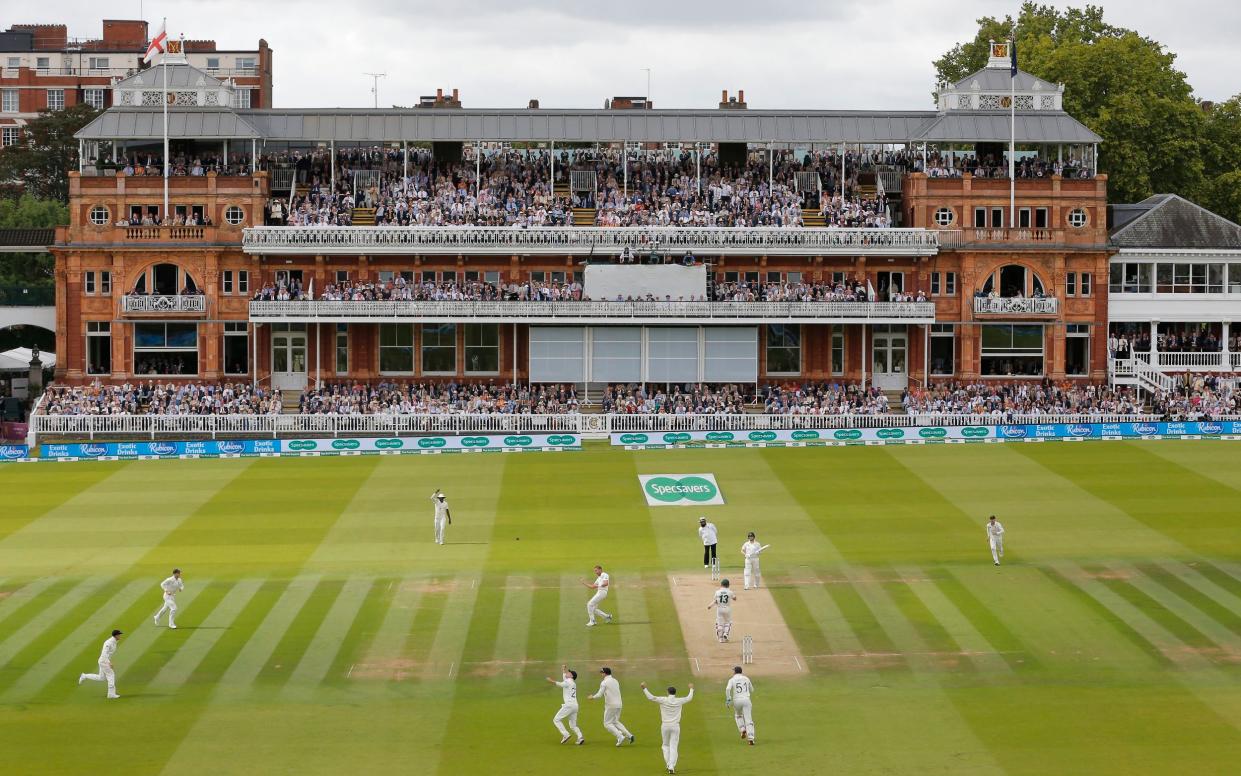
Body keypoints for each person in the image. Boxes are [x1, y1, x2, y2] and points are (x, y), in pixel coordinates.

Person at [641, 681, 695, 774]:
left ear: (667, 692)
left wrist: (644, 688)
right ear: (675, 693)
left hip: (665, 726)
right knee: (673, 747)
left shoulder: (663, 700)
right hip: (675, 726)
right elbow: (689, 698)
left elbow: (651, 697)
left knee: (665, 745)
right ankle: (671, 766)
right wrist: (691, 689)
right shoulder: (679, 700)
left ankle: (668, 764)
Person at [589, 666, 635, 746]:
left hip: (611, 705)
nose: (601, 674)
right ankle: (629, 735)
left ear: (605, 673)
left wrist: (592, 697)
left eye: (602, 673)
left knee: (607, 724)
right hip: (619, 704)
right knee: (615, 721)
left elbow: (600, 695)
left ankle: (620, 736)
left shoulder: (604, 682)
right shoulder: (615, 681)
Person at [78, 629, 123, 699]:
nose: (120, 636)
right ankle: (111, 694)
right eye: (119, 635)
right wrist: (109, 663)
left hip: (104, 660)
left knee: (101, 678)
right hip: (104, 661)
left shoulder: (115, 641)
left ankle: (84, 676)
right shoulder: (108, 643)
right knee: (111, 675)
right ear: (116, 635)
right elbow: (104, 654)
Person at [545, 665, 584, 745]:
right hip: (575, 706)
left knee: (556, 719)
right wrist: (563, 669)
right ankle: (580, 737)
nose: (567, 672)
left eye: (569, 672)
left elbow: (560, 684)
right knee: (573, 725)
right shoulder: (572, 682)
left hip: (569, 705)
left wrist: (551, 680)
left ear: (571, 675)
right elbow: (564, 678)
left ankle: (565, 735)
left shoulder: (568, 682)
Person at [726, 666, 756, 744]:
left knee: (738, 716)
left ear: (735, 672)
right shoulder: (746, 678)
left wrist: (728, 699)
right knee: (748, 719)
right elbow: (752, 690)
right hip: (746, 700)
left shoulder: (732, 680)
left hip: (737, 700)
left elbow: (728, 689)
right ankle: (751, 738)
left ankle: (742, 729)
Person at [707, 578, 736, 642]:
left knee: (719, 624)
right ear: (728, 585)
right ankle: (725, 634)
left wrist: (710, 606)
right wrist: (731, 595)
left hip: (719, 609)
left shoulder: (717, 592)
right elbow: (734, 598)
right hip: (727, 609)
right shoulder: (730, 592)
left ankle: (720, 638)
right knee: (727, 623)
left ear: (721, 585)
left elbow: (715, 601)